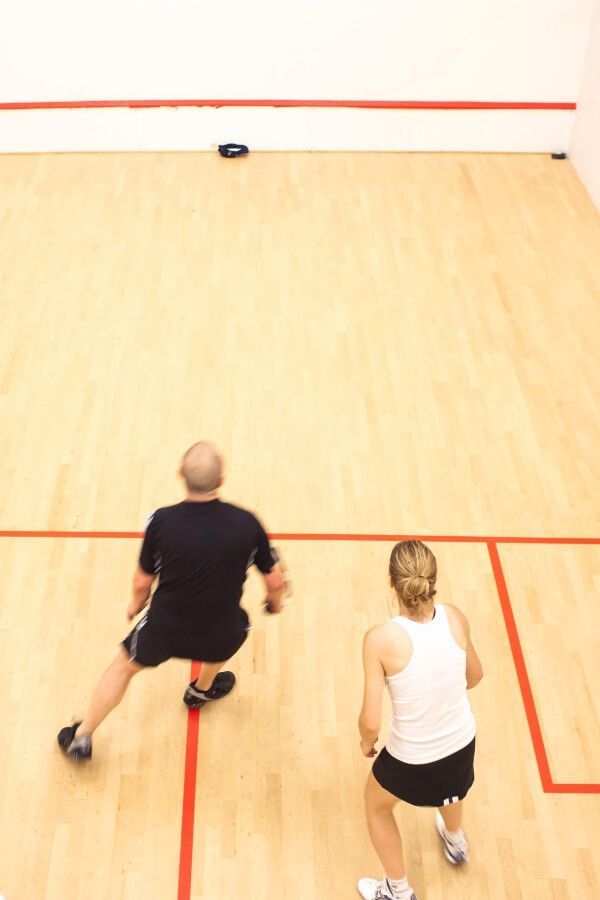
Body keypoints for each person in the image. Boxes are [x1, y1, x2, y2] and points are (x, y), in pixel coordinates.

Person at [58, 441, 284, 761]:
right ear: (220, 481)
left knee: (122, 666)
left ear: (180, 474)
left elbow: (142, 581)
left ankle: (81, 738)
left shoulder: (161, 521)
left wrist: (137, 604)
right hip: (221, 633)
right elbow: (275, 582)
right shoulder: (248, 523)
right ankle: (199, 692)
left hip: (164, 630)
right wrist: (274, 603)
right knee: (238, 624)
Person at [357, 540, 483, 900]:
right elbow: (474, 677)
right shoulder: (455, 616)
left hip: (411, 760)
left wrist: (366, 742)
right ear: (432, 580)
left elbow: (370, 721)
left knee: (376, 806)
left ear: (390, 582)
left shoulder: (380, 639)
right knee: (452, 787)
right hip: (462, 743)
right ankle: (456, 842)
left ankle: (397, 891)